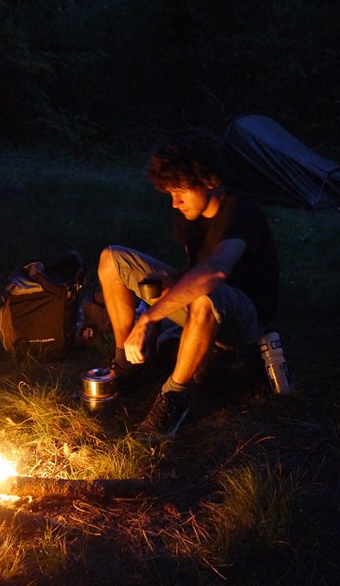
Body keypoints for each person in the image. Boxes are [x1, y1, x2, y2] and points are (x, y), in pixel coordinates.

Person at [97, 134, 280, 443]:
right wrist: (171, 284)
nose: (175, 202)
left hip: (244, 319)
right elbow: (193, 268)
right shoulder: (190, 215)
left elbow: (213, 272)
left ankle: (174, 397)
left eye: (181, 191)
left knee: (205, 294)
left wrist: (150, 317)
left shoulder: (240, 213)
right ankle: (126, 365)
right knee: (112, 259)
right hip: (205, 302)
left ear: (208, 180)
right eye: (170, 192)